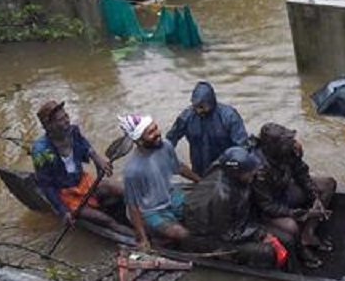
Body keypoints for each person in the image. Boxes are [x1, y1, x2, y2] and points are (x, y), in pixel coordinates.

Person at [180, 147, 288, 269]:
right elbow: (228, 234)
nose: (253, 173)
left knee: (286, 238)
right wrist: (261, 235)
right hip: (214, 237)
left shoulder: (237, 178)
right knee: (267, 251)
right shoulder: (222, 198)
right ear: (237, 173)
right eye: (249, 171)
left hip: (238, 224)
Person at [31, 100, 128, 234]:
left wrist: (97, 159)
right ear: (48, 126)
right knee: (106, 221)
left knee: (119, 189)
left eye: (66, 117)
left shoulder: (73, 131)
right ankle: (140, 240)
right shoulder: (41, 152)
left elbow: (84, 144)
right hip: (66, 195)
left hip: (82, 182)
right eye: (60, 120)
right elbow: (47, 186)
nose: (66, 121)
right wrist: (63, 211)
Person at [249, 122, 336, 268]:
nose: (289, 144)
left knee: (327, 184)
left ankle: (308, 233)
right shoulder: (258, 168)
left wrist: (315, 197)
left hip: (284, 191)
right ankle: (300, 250)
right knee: (291, 227)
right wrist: (300, 214)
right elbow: (266, 205)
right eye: (285, 142)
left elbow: (301, 173)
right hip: (267, 208)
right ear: (272, 147)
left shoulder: (288, 151)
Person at [120, 113, 200, 250]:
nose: (158, 133)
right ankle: (158, 237)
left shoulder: (165, 146)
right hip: (150, 211)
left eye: (156, 128)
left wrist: (200, 181)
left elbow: (179, 167)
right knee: (182, 234)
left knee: (201, 212)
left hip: (170, 196)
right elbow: (133, 207)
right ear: (139, 141)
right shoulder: (132, 171)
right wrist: (142, 238)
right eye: (151, 132)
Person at [166, 81, 247, 176]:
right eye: (195, 106)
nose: (198, 110)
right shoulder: (186, 117)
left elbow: (242, 146)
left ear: (211, 102)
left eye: (202, 107)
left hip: (223, 171)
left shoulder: (229, 116)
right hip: (198, 171)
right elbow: (171, 139)